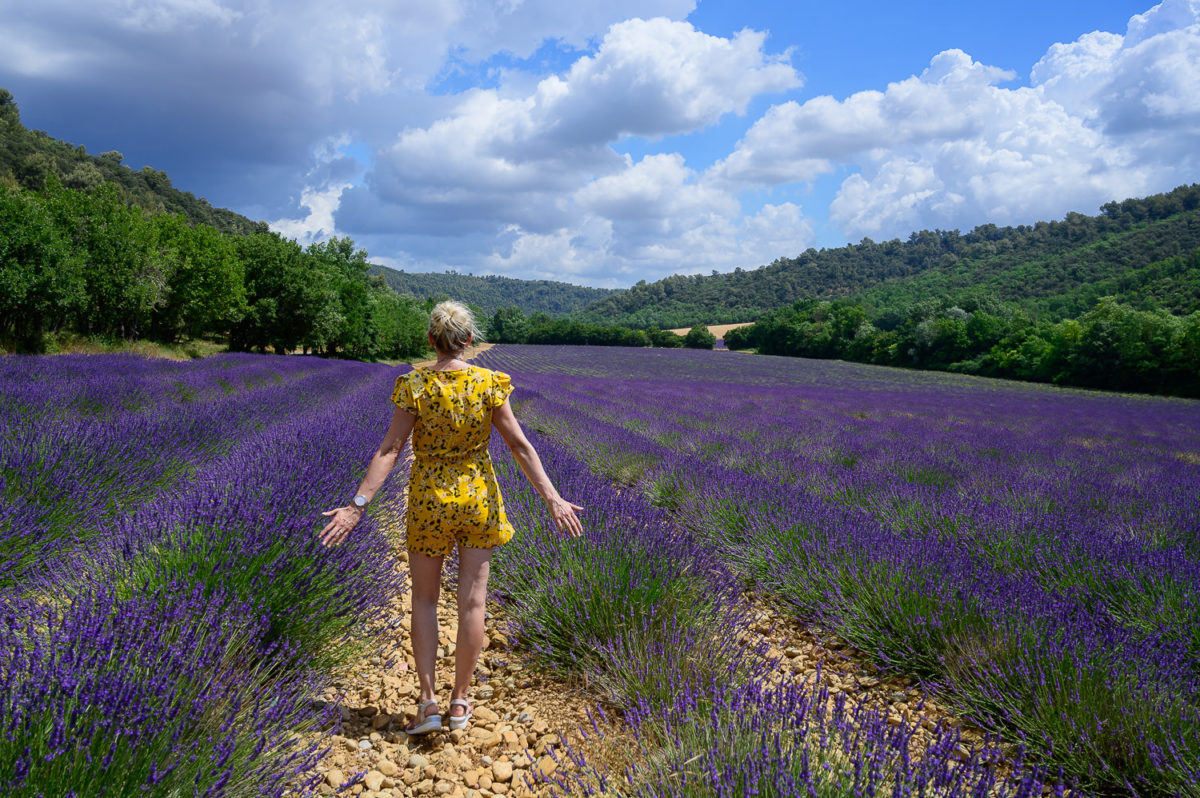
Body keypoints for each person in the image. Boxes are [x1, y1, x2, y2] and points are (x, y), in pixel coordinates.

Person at [318, 300, 583, 735]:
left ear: (430, 340)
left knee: (423, 600)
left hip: (429, 500)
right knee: (473, 602)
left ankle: (428, 704)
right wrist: (553, 498)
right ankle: (460, 702)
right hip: (478, 498)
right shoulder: (489, 383)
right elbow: (519, 445)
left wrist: (356, 507)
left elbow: (390, 450)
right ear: (470, 341)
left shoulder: (415, 384)